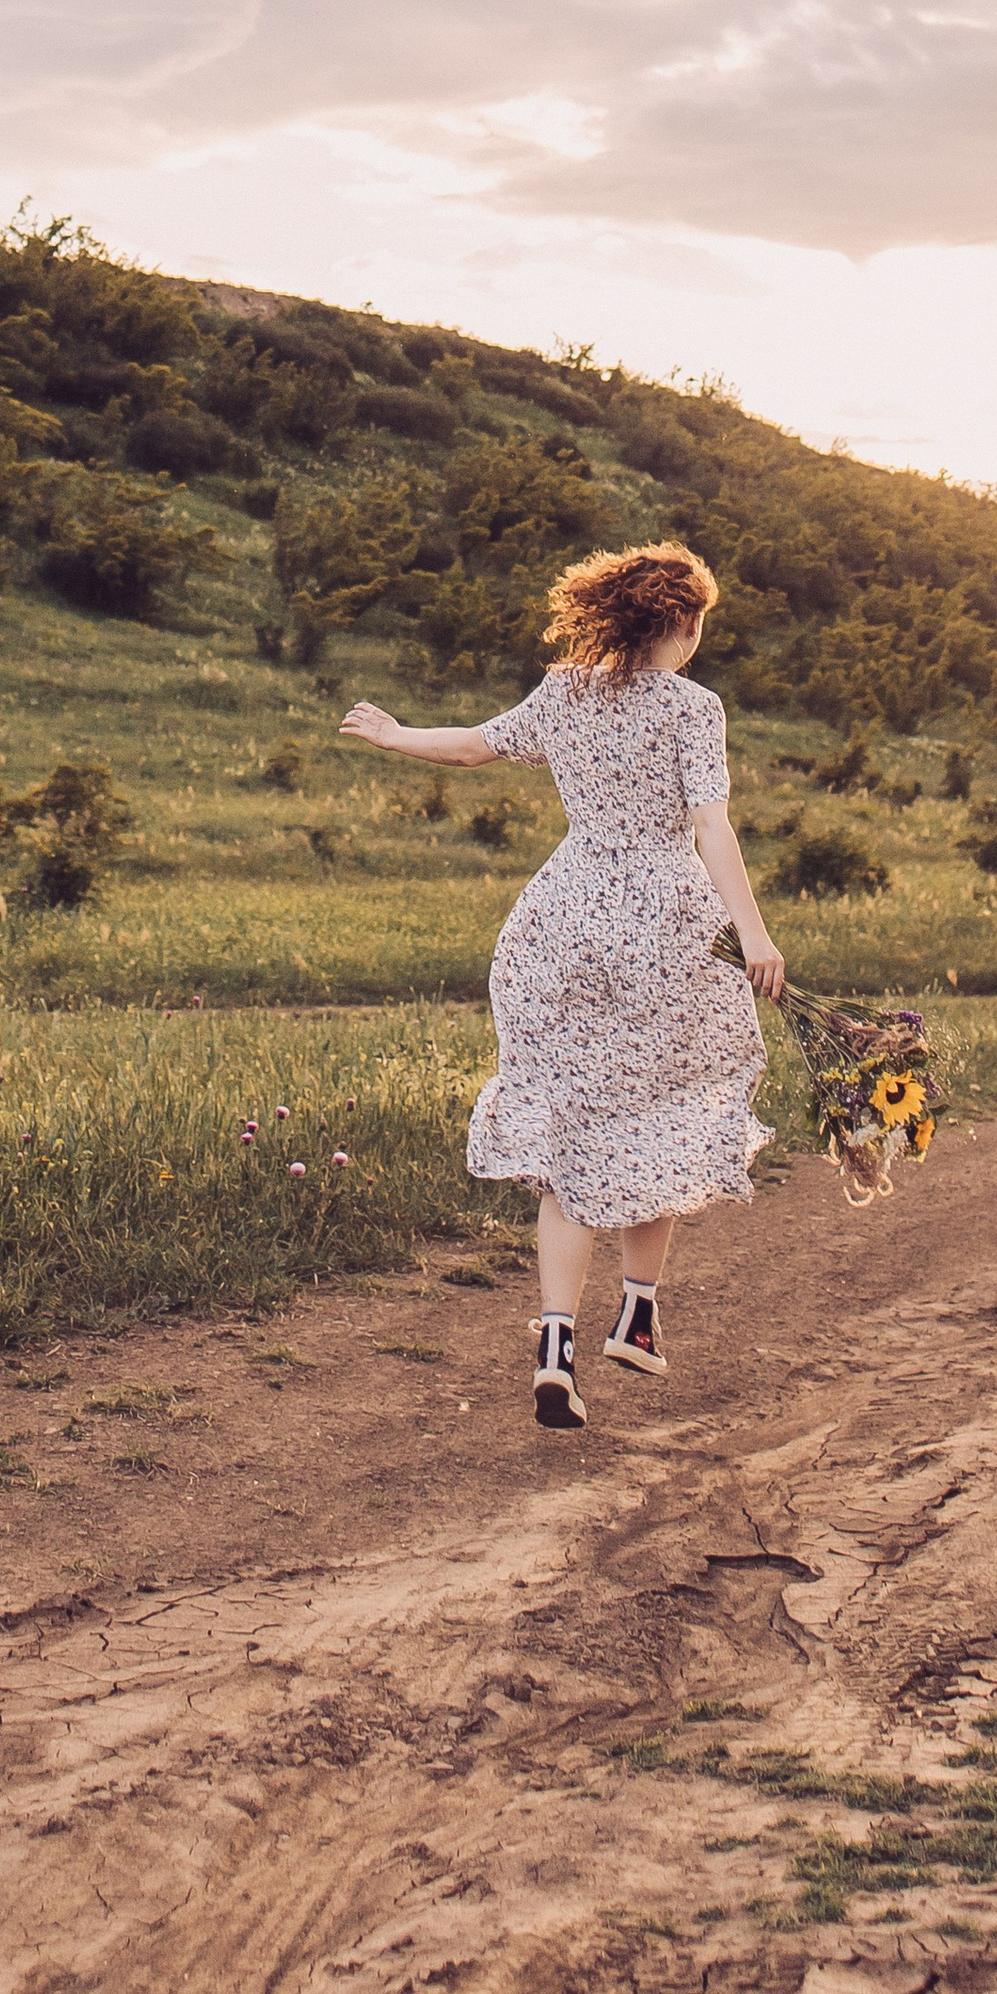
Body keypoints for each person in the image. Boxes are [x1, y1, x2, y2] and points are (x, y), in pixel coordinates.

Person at [341, 540, 786, 1429]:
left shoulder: (564, 691)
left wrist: (394, 736)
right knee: (664, 1113)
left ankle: (555, 1344)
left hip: (559, 921)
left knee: (567, 1129)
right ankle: (638, 1314)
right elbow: (711, 828)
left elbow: (474, 748)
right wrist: (753, 930)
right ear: (686, 625)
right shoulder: (696, 709)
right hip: (658, 922)